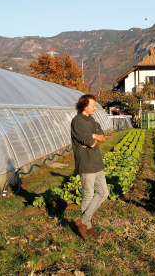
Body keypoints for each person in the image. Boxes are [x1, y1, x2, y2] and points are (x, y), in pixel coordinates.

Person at [71, 94, 109, 239]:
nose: (95, 108)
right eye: (93, 106)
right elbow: (93, 142)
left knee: (103, 193)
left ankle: (84, 221)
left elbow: (103, 137)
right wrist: (94, 137)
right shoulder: (77, 122)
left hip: (96, 161)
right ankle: (87, 227)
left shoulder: (91, 119)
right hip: (86, 162)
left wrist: (93, 135)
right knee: (88, 194)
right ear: (85, 106)